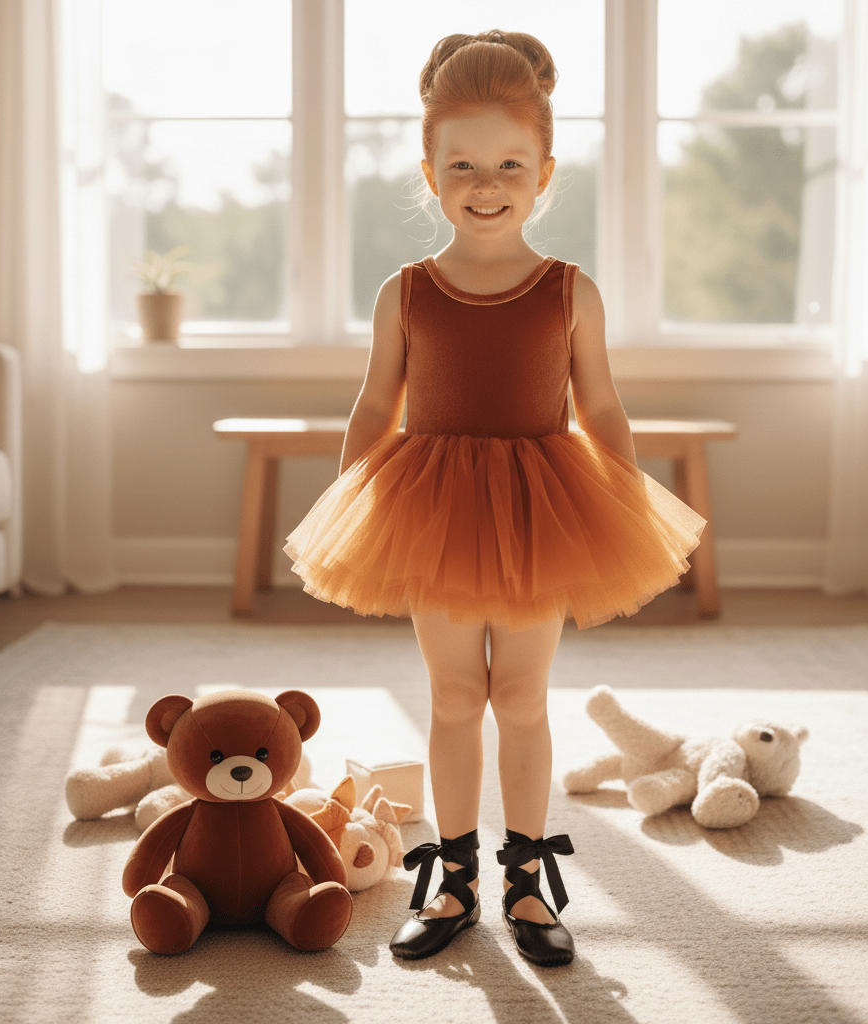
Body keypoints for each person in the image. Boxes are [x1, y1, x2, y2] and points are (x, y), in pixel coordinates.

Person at [284, 30, 704, 966]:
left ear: (545, 172)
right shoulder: (408, 292)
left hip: (543, 506)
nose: (487, 182)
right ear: (431, 174)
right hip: (431, 507)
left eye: (509, 163)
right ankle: (456, 872)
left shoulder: (569, 292)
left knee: (519, 695)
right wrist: (352, 499)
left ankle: (525, 878)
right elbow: (374, 403)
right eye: (463, 163)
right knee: (450, 695)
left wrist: (627, 498)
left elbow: (601, 405)